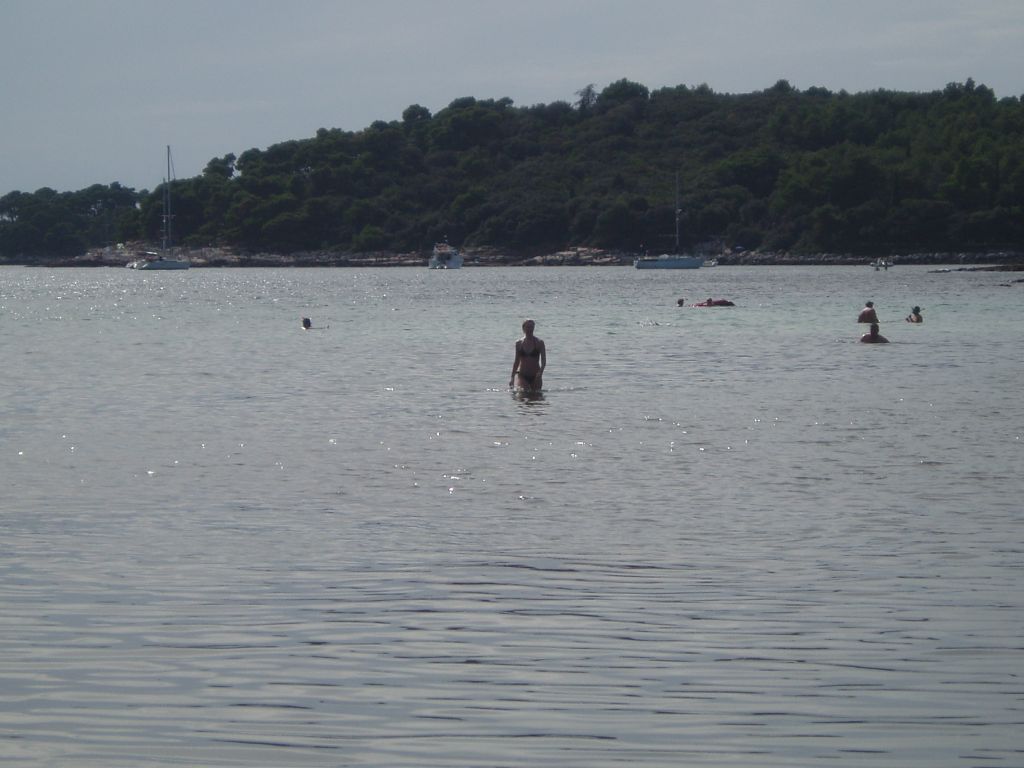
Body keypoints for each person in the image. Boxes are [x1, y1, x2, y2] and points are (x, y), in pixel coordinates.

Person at [509, 318, 546, 392]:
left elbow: (543, 361)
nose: (530, 329)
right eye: (528, 327)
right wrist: (512, 377)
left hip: (536, 375)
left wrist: (540, 372)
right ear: (523, 328)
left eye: (531, 327)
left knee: (536, 396)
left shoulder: (539, 342)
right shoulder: (519, 343)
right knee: (523, 396)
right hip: (523, 375)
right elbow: (516, 361)